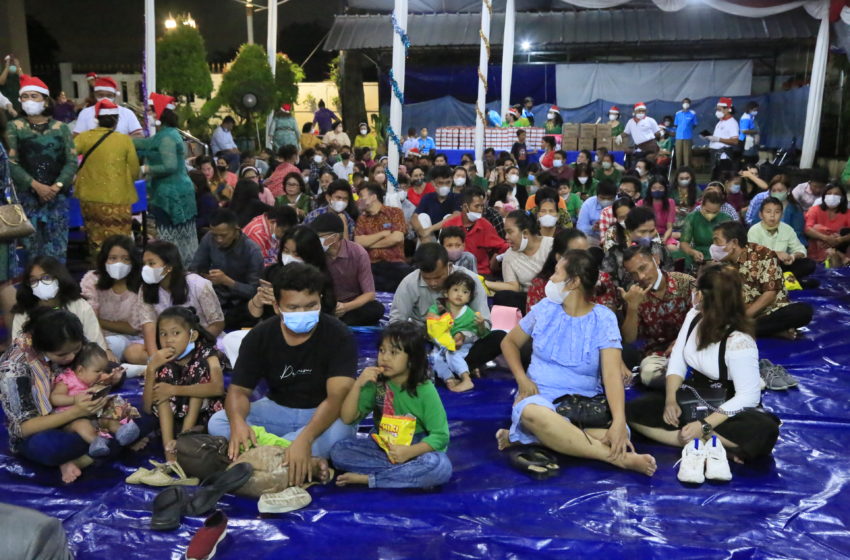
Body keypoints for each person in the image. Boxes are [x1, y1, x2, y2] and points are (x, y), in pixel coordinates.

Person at [497, 250, 657, 476]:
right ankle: (618, 459)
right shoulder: (544, 308)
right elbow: (509, 343)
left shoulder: (604, 318)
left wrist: (619, 422)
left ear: (574, 282)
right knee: (531, 412)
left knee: (619, 435)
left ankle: (533, 437)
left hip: (584, 403)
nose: (550, 279)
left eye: (556, 273)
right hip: (540, 397)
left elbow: (612, 375)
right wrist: (522, 379)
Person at [208, 262, 358, 486]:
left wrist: (305, 439)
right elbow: (238, 390)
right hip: (277, 411)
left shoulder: (339, 335)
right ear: (277, 307)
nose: (303, 313)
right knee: (218, 422)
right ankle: (301, 460)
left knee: (342, 433)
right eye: (294, 307)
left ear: (320, 300)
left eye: (311, 305)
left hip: (323, 415)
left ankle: (269, 456)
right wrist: (238, 422)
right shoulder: (260, 336)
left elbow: (336, 398)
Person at [627, 264, 781, 471]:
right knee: (632, 410)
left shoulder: (739, 340)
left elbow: (748, 396)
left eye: (696, 289)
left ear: (702, 295)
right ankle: (703, 442)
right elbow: (678, 360)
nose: (693, 294)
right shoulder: (694, 316)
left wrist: (705, 425)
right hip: (694, 395)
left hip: (728, 406)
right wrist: (671, 400)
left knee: (764, 431)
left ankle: (699, 437)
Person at [0, 308, 149, 483]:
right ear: (41, 347)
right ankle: (105, 446)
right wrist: (76, 412)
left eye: (76, 350)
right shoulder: (14, 367)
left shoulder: (72, 344)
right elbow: (22, 429)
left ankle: (93, 450)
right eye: (62, 355)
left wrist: (111, 378)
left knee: (147, 412)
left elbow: (101, 367)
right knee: (52, 448)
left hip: (91, 415)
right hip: (44, 429)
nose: (71, 357)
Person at [331, 322, 452, 489]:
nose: (385, 357)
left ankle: (370, 479)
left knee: (439, 466)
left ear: (412, 359)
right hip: (384, 445)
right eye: (382, 350)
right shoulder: (376, 383)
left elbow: (440, 435)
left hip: (417, 447)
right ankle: (410, 475)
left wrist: (409, 452)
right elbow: (347, 417)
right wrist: (358, 384)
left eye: (394, 352)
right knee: (339, 452)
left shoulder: (424, 389)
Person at [390, 243, 506, 375]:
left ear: (449, 266)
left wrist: (464, 335)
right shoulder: (409, 283)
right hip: (426, 339)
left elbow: (485, 324)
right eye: (427, 278)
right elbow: (396, 322)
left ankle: (444, 369)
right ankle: (457, 370)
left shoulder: (471, 281)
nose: (433, 283)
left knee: (499, 337)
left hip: (462, 342)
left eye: (438, 277)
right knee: (403, 340)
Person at [7, 74, 78, 265]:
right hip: (28, 198)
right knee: (33, 252)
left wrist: (56, 186)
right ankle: (35, 292)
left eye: (34, 96)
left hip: (58, 198)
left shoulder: (61, 128)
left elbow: (71, 161)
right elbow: (11, 162)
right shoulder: (14, 127)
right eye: (25, 97)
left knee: (57, 250)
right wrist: (36, 185)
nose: (29, 101)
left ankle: (58, 292)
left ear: (45, 100)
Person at [143, 306, 225, 463]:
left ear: (192, 335)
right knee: (161, 393)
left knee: (197, 380)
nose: (169, 339)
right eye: (163, 334)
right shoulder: (161, 361)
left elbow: (218, 387)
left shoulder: (207, 354)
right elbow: (147, 407)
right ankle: (170, 456)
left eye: (176, 333)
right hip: (174, 419)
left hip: (204, 416)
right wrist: (151, 368)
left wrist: (173, 389)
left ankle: (183, 443)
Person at [125, 240, 224, 365]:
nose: (146, 268)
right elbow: (148, 326)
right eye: (144, 264)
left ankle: (184, 362)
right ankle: (175, 364)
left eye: (151, 263)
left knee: (219, 353)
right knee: (132, 352)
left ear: (169, 267)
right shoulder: (145, 289)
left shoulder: (198, 284)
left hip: (198, 342)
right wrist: (155, 359)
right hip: (166, 343)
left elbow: (217, 323)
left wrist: (191, 347)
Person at [712, 221, 813, 338]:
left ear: (734, 242)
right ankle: (772, 331)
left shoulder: (762, 255)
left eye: (716, 240)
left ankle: (740, 329)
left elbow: (770, 294)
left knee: (803, 312)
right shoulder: (722, 262)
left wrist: (744, 317)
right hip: (740, 312)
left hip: (767, 311)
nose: (713, 246)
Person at [134, 93, 198, 266]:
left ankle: (174, 270)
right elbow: (146, 144)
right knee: (183, 238)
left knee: (172, 239)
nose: (150, 115)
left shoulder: (168, 137)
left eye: (152, 111)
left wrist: (146, 169)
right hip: (176, 192)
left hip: (171, 195)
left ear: (160, 114)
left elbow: (169, 166)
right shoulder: (167, 134)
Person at [73, 98, 140, 256]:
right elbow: (134, 169)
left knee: (95, 239)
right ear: (116, 120)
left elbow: (69, 158)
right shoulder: (124, 140)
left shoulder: (84, 137)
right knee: (120, 240)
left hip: (90, 198)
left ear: (97, 119)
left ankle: (99, 272)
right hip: (119, 199)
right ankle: (120, 271)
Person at [621, 246, 695, 387]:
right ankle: (685, 379)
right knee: (649, 374)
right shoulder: (634, 294)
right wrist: (632, 307)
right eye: (634, 274)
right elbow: (629, 340)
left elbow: (704, 320)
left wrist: (681, 343)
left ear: (656, 259)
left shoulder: (686, 283)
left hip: (691, 346)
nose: (640, 277)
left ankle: (683, 378)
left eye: (643, 268)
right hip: (658, 356)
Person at [49, 342, 139, 457]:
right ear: (81, 370)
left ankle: (124, 429)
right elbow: (55, 398)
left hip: (92, 412)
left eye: (103, 370)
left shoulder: (91, 378)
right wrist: (74, 400)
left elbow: (103, 389)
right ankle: (96, 442)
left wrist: (110, 381)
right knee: (82, 425)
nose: (101, 374)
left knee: (114, 401)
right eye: (97, 371)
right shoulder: (67, 380)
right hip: (72, 417)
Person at [12, 256, 108, 352]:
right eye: (33, 280)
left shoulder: (80, 306)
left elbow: (97, 347)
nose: (40, 284)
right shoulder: (23, 312)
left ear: (59, 277)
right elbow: (18, 350)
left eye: (46, 277)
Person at [190, 209, 264, 331]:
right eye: (215, 235)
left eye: (223, 235)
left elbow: (255, 291)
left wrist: (227, 281)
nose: (218, 240)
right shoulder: (209, 238)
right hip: (214, 297)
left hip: (241, 304)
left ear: (236, 230)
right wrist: (203, 278)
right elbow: (195, 268)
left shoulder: (252, 250)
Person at [310, 213, 385, 326]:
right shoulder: (314, 253)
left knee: (376, 309)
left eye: (320, 237)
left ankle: (334, 323)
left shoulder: (358, 253)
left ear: (334, 237)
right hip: (324, 303)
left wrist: (345, 307)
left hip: (351, 305)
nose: (316, 240)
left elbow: (369, 293)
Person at [526, 229, 621, 314]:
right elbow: (532, 326)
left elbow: (608, 317)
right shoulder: (541, 285)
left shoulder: (602, 280)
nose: (584, 259)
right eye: (576, 254)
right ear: (559, 257)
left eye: (586, 253)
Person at [80, 235, 143, 363]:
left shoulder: (141, 285)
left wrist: (99, 321)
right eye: (113, 258)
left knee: (115, 344)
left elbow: (133, 328)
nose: (118, 264)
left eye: (125, 259)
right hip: (95, 334)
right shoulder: (92, 279)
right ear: (104, 260)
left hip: (130, 339)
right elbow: (89, 318)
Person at [427, 272, 490, 393]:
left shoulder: (470, 314)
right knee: (434, 358)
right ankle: (449, 379)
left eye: (465, 292)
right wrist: (432, 318)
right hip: (442, 344)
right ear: (446, 292)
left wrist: (481, 325)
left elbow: (482, 335)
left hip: (461, 346)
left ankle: (466, 379)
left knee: (452, 355)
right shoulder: (439, 307)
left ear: (470, 297)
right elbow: (430, 318)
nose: (460, 294)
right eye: (456, 290)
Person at [486, 210, 554, 311]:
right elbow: (513, 287)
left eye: (510, 232)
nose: (506, 237)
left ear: (525, 233)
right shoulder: (509, 256)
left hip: (556, 296)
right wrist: (484, 283)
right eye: (505, 232)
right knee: (502, 297)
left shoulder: (552, 245)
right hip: (531, 301)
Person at [354, 182, 412, 292]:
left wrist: (370, 244)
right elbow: (358, 242)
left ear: (373, 197)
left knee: (406, 274)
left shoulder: (395, 212)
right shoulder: (362, 219)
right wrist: (383, 234)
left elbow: (397, 238)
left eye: (361, 196)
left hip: (395, 264)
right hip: (371, 265)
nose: (358, 200)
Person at [440, 187, 508, 276]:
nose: (480, 210)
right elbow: (441, 251)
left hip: (481, 273)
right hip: (453, 273)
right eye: (477, 206)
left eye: (482, 206)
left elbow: (503, 246)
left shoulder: (485, 225)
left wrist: (496, 258)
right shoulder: (449, 225)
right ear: (465, 207)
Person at [601, 206, 673, 288]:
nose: (647, 236)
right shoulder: (614, 254)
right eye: (642, 231)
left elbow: (669, 276)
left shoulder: (658, 249)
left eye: (652, 231)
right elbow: (607, 285)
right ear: (629, 232)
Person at [748, 197, 816, 283]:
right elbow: (753, 254)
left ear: (782, 215)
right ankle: (784, 280)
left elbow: (800, 249)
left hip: (782, 266)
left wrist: (793, 257)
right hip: (763, 266)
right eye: (768, 212)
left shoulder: (787, 229)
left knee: (809, 264)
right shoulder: (754, 230)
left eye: (777, 212)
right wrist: (775, 254)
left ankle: (781, 279)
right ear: (761, 215)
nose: (772, 215)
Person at [72, 77, 143, 138]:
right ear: (95, 95)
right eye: (100, 95)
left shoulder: (127, 113)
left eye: (109, 96)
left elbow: (139, 135)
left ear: (115, 96)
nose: (105, 99)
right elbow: (76, 136)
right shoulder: (86, 113)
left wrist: (120, 142)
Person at [680, 190, 732, 270]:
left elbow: (732, 245)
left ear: (720, 208)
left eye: (715, 212)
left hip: (721, 258)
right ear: (701, 205)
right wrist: (693, 252)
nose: (710, 215)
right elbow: (684, 243)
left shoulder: (726, 219)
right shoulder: (692, 218)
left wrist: (720, 259)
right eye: (707, 211)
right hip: (699, 258)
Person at [804, 183, 850, 265]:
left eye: (836, 194)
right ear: (824, 196)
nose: (832, 196)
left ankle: (837, 254)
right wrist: (826, 238)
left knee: (844, 233)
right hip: (818, 248)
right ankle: (839, 255)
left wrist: (839, 239)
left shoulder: (847, 213)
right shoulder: (814, 210)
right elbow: (807, 229)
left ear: (842, 197)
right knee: (817, 228)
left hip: (840, 246)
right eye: (829, 193)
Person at [411, 166, 460, 243]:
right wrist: (421, 232)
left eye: (448, 182)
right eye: (440, 183)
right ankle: (428, 250)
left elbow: (456, 216)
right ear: (433, 183)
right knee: (422, 216)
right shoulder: (427, 197)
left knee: (448, 217)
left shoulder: (456, 197)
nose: (445, 186)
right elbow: (414, 217)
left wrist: (430, 229)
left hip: (448, 239)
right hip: (429, 238)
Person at [704, 97, 739, 180]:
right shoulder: (721, 121)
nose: (717, 112)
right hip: (715, 155)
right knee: (714, 177)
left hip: (723, 156)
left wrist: (718, 139)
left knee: (721, 178)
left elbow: (735, 141)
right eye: (717, 110)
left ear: (728, 109)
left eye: (719, 110)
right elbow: (719, 137)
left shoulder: (732, 123)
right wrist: (711, 138)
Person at [637, 175, 677, 245]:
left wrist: (664, 239)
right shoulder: (641, 203)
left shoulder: (670, 202)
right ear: (650, 189)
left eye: (661, 188)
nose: (657, 190)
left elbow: (669, 227)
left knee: (672, 248)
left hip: (664, 235)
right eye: (654, 188)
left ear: (665, 189)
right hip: (646, 235)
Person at [673, 98, 698, 168]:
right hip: (678, 137)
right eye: (684, 102)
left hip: (688, 137)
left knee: (687, 155)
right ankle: (678, 171)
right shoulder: (677, 113)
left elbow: (695, 124)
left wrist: (688, 129)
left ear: (689, 104)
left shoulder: (692, 114)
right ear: (682, 104)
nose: (685, 104)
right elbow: (676, 124)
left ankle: (687, 170)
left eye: (687, 103)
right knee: (678, 154)